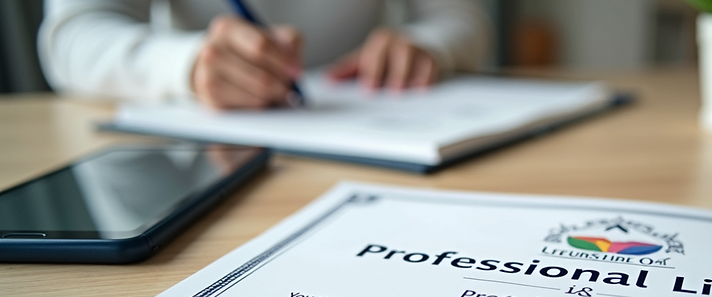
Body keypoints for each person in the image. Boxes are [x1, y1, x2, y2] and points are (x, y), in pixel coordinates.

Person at [38, 0, 491, 109]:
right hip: (209, 145)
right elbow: (73, 37)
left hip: (375, 111)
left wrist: (426, 45)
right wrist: (186, 64)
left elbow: (464, 19)